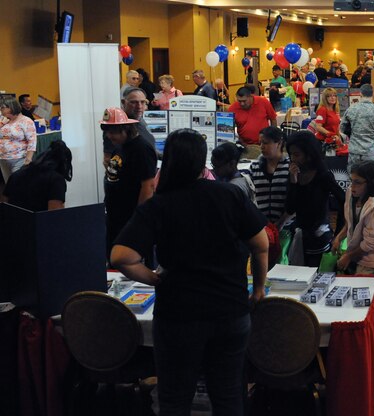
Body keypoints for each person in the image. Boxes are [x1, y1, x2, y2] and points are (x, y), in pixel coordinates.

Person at [110, 128, 268, 416]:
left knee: (174, 400)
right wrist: (258, 288)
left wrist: (153, 278)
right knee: (229, 396)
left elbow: (121, 257)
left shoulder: (159, 203)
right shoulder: (229, 194)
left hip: (178, 316)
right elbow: (261, 244)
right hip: (230, 312)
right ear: (201, 162)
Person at [281, 132, 345, 267]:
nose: (293, 159)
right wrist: (293, 182)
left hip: (320, 236)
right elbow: (290, 208)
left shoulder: (323, 176)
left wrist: (339, 234)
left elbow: (344, 202)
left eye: (297, 155)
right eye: (291, 154)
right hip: (300, 236)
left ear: (309, 155)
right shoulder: (294, 175)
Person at [100, 107, 157, 258]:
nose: (109, 136)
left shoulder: (142, 149)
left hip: (130, 216)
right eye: (107, 132)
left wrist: (138, 218)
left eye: (113, 132)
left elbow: (148, 186)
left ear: (126, 129)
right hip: (115, 215)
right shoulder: (120, 147)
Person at [330, 160, 374, 285]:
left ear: (371, 183)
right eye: (352, 181)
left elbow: (369, 244)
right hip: (356, 256)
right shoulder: (351, 193)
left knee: (365, 300)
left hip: (371, 262)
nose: (352, 186)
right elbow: (350, 222)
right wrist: (339, 238)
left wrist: (348, 256)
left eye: (358, 182)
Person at [2, 140, 72, 211]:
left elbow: (4, 204)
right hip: (39, 221)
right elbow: (55, 213)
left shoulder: (16, 175)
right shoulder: (56, 180)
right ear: (63, 164)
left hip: (13, 220)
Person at [340, 84, 374, 172]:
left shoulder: (351, 109)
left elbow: (341, 129)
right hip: (371, 152)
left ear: (360, 94)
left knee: (355, 180)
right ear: (372, 94)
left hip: (354, 152)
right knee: (373, 181)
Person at [248, 126, 289, 226]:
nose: (261, 147)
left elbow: (294, 200)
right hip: (261, 225)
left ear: (279, 143)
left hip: (286, 225)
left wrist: (280, 223)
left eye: (266, 143)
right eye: (260, 143)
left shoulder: (289, 167)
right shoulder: (254, 167)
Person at [230, 86, 277, 159]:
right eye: (239, 101)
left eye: (244, 101)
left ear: (251, 97)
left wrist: (274, 138)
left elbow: (273, 119)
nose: (242, 104)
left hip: (265, 144)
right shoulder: (233, 108)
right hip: (246, 146)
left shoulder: (263, 102)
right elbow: (229, 128)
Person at [0, 99, 37, 181]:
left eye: (3, 107)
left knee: (19, 185)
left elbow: (32, 141)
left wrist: (28, 159)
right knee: (8, 186)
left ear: (11, 107)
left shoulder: (26, 121)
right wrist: (2, 123)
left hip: (19, 159)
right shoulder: (3, 120)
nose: (1, 109)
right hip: (3, 158)